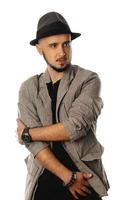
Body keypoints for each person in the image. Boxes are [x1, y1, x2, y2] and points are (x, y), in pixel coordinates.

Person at [17, 11, 109, 200]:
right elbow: (35, 146)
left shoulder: (89, 80)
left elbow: (75, 126)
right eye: (53, 46)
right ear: (39, 48)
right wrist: (68, 177)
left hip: (84, 181)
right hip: (43, 181)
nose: (62, 52)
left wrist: (28, 133)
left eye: (66, 44)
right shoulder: (28, 88)